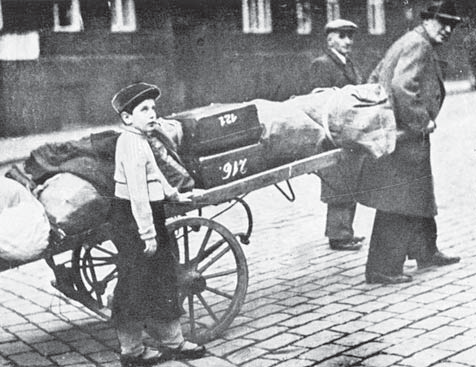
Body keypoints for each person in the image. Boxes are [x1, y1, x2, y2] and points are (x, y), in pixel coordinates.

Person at [359, 0, 461, 284]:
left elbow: (376, 77)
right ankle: (382, 268)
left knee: (418, 193)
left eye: (452, 25)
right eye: (443, 23)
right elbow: (402, 86)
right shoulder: (419, 45)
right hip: (405, 135)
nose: (448, 30)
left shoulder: (410, 40)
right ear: (428, 20)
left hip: (399, 131)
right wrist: (420, 120)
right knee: (399, 199)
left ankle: (425, 251)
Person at [109, 82, 206, 366]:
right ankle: (132, 351)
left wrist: (174, 193)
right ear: (127, 118)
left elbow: (156, 175)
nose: (152, 114)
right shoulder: (129, 144)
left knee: (163, 275)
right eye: (144, 109)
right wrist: (148, 235)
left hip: (148, 213)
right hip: (133, 219)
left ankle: (172, 341)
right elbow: (138, 194)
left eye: (153, 108)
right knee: (134, 282)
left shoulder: (142, 140)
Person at [309, 19, 366, 251]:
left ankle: (346, 231)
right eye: (342, 36)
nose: (348, 41)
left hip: (349, 131)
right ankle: (338, 235)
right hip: (332, 134)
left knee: (350, 179)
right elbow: (318, 101)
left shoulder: (348, 64)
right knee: (337, 182)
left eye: (350, 36)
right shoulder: (322, 64)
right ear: (329, 39)